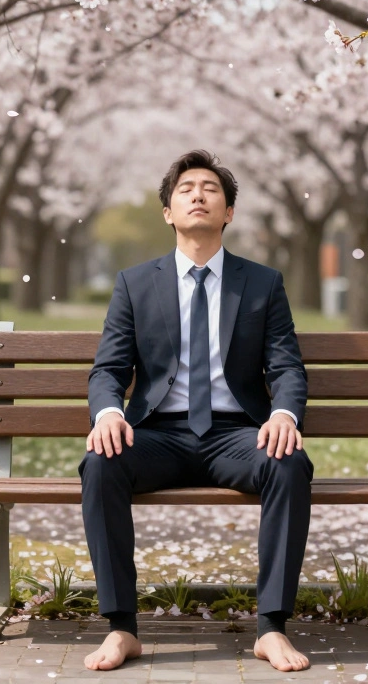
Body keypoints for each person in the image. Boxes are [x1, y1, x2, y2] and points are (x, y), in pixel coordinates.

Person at [79, 150, 311, 673]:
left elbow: (287, 366)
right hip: (156, 435)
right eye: (186, 189)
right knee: (100, 462)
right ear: (168, 211)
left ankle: (272, 627)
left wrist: (284, 417)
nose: (198, 195)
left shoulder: (261, 283)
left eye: (211, 188)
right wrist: (107, 414)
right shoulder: (135, 283)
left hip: (236, 436)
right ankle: (121, 628)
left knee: (289, 463)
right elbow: (108, 370)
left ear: (229, 212)